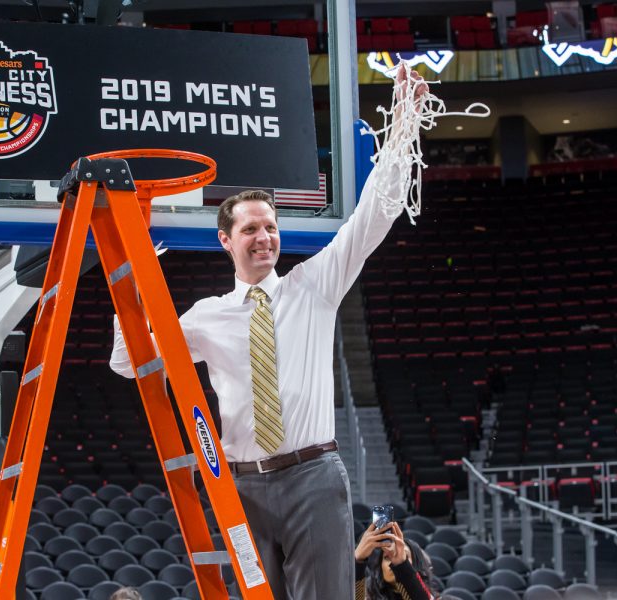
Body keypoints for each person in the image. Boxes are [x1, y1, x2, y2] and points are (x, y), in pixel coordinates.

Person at [110, 65, 428, 599]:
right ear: (225, 241)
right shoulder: (205, 315)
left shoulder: (315, 284)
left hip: (314, 476)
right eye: (251, 228)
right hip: (242, 483)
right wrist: (133, 275)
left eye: (271, 227)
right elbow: (126, 361)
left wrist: (405, 123)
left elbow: (376, 213)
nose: (265, 237)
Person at [354, 520, 435, 600]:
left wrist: (401, 565)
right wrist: (358, 561)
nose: (393, 561)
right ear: (380, 567)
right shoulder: (366, 596)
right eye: (387, 557)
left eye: (405, 555)